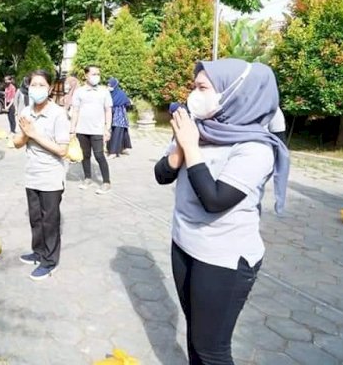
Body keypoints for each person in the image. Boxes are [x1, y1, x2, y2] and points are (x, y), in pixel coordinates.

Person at [153, 58, 290, 365]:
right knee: (195, 337)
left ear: (231, 93)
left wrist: (190, 147)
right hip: (184, 245)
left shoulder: (255, 148)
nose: (194, 94)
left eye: (203, 87)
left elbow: (214, 200)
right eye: (194, 86)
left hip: (224, 259)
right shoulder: (197, 129)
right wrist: (179, 150)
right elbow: (161, 175)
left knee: (211, 349)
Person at [13, 70, 71, 281]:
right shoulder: (26, 111)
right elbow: (17, 143)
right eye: (33, 85)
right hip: (32, 174)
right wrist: (24, 133)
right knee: (35, 218)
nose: (36, 89)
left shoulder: (58, 114)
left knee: (50, 221)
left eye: (41, 85)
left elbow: (62, 150)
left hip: (51, 176)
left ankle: (50, 261)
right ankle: (38, 251)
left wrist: (34, 134)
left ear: (49, 88)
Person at [69, 65, 113, 194]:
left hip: (98, 130)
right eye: (93, 74)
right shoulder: (79, 92)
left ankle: (106, 182)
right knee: (85, 155)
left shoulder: (104, 91)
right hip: (82, 129)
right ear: (86, 76)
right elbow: (75, 111)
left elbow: (108, 110)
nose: (96, 76)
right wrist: (72, 130)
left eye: (98, 74)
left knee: (99, 155)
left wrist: (107, 128)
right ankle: (87, 178)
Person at [106, 78, 133, 158]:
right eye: (108, 85)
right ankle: (123, 148)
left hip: (119, 117)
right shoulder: (109, 93)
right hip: (111, 115)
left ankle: (113, 152)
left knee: (117, 133)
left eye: (110, 85)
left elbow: (127, 102)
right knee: (118, 133)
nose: (109, 86)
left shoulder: (121, 94)